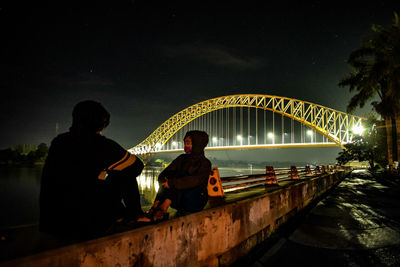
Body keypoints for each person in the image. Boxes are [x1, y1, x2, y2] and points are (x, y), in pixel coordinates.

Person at [39, 100, 144, 239]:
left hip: (51, 223)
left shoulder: (59, 142)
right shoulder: (103, 145)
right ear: (101, 125)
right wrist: (109, 174)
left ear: (74, 120)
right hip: (86, 225)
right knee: (125, 173)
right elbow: (137, 166)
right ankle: (135, 215)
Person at [138, 130, 211, 222]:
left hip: (194, 200)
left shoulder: (205, 163)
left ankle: (162, 209)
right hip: (179, 198)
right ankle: (156, 207)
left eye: (188, 142)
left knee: (180, 177)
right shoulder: (181, 158)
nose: (185, 145)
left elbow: (194, 181)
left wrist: (172, 183)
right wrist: (164, 180)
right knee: (170, 175)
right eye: (184, 142)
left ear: (197, 144)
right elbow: (164, 173)